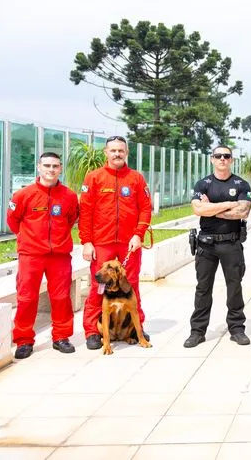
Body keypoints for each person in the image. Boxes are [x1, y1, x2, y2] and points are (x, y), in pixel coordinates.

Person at [80, 135, 152, 350]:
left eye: (121, 150)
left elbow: (145, 208)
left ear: (126, 153)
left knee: (131, 284)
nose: (117, 154)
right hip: (102, 242)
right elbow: (85, 211)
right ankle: (93, 330)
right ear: (106, 153)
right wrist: (86, 242)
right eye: (113, 150)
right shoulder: (94, 177)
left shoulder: (136, 178)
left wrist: (139, 234)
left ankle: (135, 326)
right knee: (99, 285)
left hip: (129, 242)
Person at [8, 152, 79, 359]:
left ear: (60, 169)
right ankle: (24, 340)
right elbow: (13, 221)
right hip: (31, 255)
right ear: (38, 168)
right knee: (27, 298)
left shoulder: (69, 196)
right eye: (47, 165)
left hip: (59, 255)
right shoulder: (23, 195)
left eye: (55, 166)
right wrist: (30, 239)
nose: (51, 170)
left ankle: (61, 337)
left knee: (61, 297)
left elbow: (71, 219)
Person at [184, 146, 251, 348]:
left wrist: (211, 208)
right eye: (218, 156)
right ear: (211, 159)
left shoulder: (241, 183)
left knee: (235, 287)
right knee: (203, 289)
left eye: (226, 156)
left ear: (231, 160)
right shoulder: (203, 183)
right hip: (206, 244)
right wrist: (229, 204)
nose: (222, 159)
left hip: (231, 243)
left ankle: (237, 329)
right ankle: (197, 332)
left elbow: (243, 211)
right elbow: (197, 209)